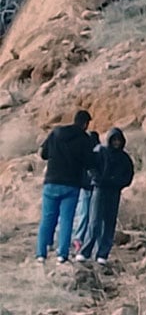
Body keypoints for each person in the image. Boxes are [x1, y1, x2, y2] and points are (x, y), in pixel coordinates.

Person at [36, 110, 97, 264]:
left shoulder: (56, 132)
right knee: (67, 220)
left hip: (51, 181)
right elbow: (90, 162)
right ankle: (62, 255)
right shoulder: (84, 139)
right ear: (85, 124)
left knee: (47, 219)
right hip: (71, 184)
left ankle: (41, 254)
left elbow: (43, 154)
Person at [78, 128, 134, 264]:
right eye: (114, 140)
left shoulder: (124, 158)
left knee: (109, 223)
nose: (116, 143)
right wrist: (97, 179)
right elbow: (91, 166)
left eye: (118, 140)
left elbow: (129, 175)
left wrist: (118, 183)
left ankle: (102, 254)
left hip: (114, 192)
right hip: (100, 189)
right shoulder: (101, 152)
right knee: (94, 222)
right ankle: (85, 252)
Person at [71, 130, 102, 254]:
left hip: (86, 188)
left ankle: (79, 239)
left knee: (84, 215)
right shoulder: (99, 153)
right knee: (89, 216)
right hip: (91, 188)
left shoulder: (85, 153)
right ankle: (82, 239)